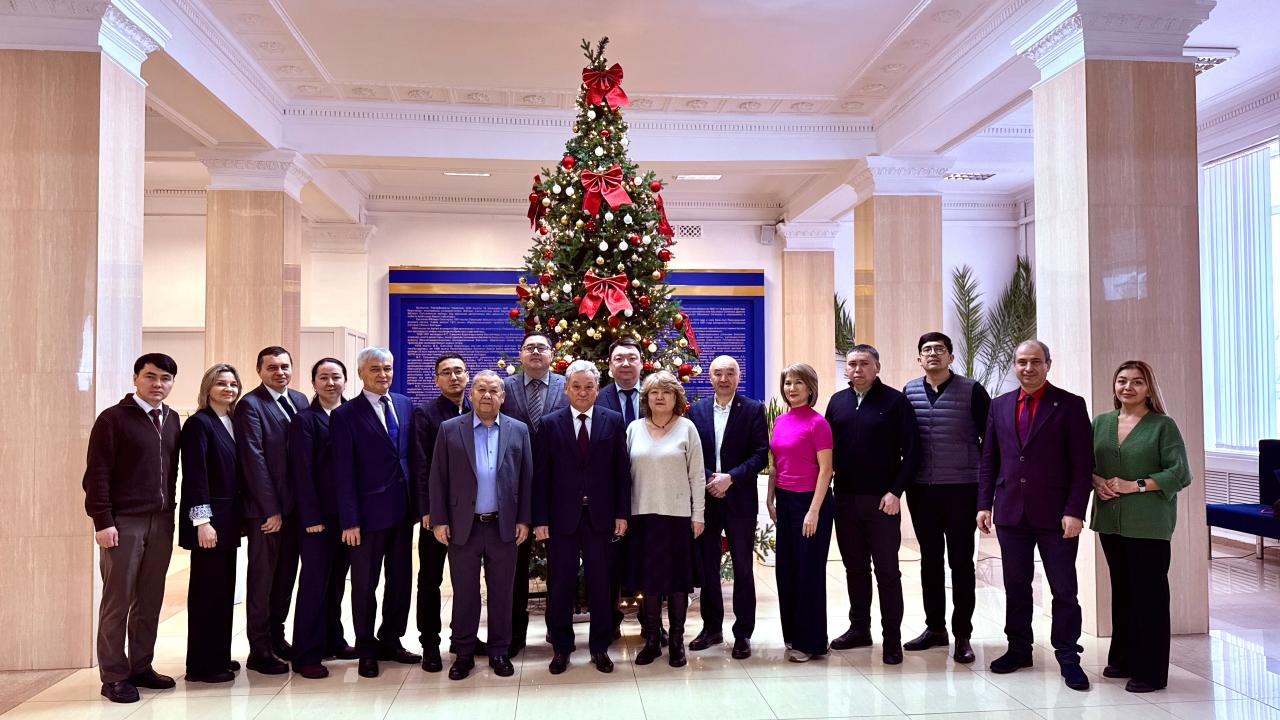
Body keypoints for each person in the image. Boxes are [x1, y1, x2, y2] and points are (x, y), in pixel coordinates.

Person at [977, 340, 1093, 691]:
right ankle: (1018, 649)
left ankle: (1068, 656)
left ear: (1048, 364)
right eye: (1022, 362)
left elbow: (1082, 464)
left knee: (1063, 588)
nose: (1028, 368)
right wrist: (984, 504)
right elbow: (989, 459)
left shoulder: (1070, 405)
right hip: (1011, 511)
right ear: (1014, 365)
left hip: (1056, 515)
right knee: (1016, 585)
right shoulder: (999, 405)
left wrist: (1075, 510)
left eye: (1036, 362)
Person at [83, 353, 181, 703]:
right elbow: (96, 475)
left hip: (161, 521)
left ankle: (141, 666)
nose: (158, 384)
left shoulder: (171, 419)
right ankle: (113, 676)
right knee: (118, 600)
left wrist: (170, 512)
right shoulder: (113, 419)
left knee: (150, 599)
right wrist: (103, 521)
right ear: (136, 378)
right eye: (150, 376)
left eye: (165, 378)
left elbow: (170, 472)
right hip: (124, 523)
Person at [1090, 360, 1191, 693]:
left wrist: (1136, 485)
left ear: (1149, 388)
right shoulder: (1101, 422)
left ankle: (1151, 672)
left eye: (1137, 382)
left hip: (1149, 523)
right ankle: (1123, 659)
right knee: (1122, 591)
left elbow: (1180, 473)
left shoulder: (1163, 425)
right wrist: (1095, 480)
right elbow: (1085, 463)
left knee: (1149, 596)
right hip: (1110, 521)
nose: (1128, 387)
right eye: (1122, 380)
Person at [429, 370, 533, 680]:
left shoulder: (518, 430)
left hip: (504, 526)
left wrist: (524, 519)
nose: (487, 395)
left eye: (493, 391)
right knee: (465, 592)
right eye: (481, 390)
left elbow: (527, 478)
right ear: (471, 394)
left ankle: (499, 650)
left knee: (502, 592)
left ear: (503, 396)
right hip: (464, 527)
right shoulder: (450, 429)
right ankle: (463, 652)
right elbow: (438, 478)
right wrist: (439, 520)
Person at [533, 360, 631, 674]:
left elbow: (621, 472)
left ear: (597, 389)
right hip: (561, 518)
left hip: (601, 517)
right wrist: (540, 519)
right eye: (576, 386)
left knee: (601, 584)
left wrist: (622, 513)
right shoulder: (550, 423)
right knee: (560, 584)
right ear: (566, 389)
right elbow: (541, 476)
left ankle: (599, 648)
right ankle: (561, 648)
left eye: (589, 386)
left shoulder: (612, 420)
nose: (582, 392)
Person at [825, 344, 920, 665]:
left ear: (877, 366)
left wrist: (896, 492)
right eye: (852, 364)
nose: (857, 369)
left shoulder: (895, 401)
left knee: (887, 572)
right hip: (845, 500)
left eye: (864, 363)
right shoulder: (837, 402)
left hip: (882, 502)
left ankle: (892, 639)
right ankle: (859, 629)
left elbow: (913, 453)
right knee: (854, 569)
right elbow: (826, 452)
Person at [331, 347, 421, 678]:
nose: (382, 374)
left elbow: (412, 457)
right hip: (366, 517)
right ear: (360, 374)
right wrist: (349, 520)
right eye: (374, 369)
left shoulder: (404, 404)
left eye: (387, 368)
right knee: (365, 584)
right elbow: (343, 471)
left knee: (400, 581)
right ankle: (367, 648)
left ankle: (391, 640)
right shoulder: (345, 415)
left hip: (402, 511)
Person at [901, 332, 990, 664]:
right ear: (919, 358)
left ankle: (962, 634)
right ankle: (935, 628)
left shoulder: (972, 390)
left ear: (951, 357)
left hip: (962, 488)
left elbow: (990, 441)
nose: (933, 354)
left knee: (961, 562)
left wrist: (987, 493)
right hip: (922, 489)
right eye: (927, 350)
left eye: (940, 349)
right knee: (929, 560)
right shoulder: (909, 391)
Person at [687, 355, 769, 659]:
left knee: (743, 568)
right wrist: (711, 478)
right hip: (706, 499)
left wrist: (730, 478)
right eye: (718, 373)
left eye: (730, 373)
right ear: (710, 377)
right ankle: (712, 628)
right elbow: (691, 453)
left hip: (740, 499)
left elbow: (760, 454)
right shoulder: (696, 410)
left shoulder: (753, 409)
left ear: (738, 376)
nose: (724, 379)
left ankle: (743, 633)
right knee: (707, 566)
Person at [234, 346, 308, 674]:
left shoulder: (300, 400)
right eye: (272, 367)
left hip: (296, 510)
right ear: (259, 371)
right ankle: (259, 648)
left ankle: (277, 637)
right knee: (262, 581)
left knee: (285, 578)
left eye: (284, 366)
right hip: (267, 513)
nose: (280, 372)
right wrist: (271, 509)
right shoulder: (250, 405)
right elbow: (254, 460)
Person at [626, 371, 705, 668]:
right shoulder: (634, 429)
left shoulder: (687, 428)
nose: (660, 397)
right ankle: (651, 641)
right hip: (642, 517)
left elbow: (697, 476)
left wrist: (698, 515)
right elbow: (624, 476)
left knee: (677, 583)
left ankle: (676, 642)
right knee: (649, 582)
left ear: (676, 398)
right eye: (654, 392)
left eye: (667, 392)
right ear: (646, 398)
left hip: (677, 518)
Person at [289, 358, 358, 679]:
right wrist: (311, 516)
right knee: (314, 583)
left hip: (348, 516)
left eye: (336, 377)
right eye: (323, 377)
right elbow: (301, 471)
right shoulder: (305, 419)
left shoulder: (352, 414)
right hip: (319, 518)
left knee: (336, 581)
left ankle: (333, 639)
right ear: (314, 383)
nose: (331, 383)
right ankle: (306, 653)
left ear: (345, 380)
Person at [410, 353, 476, 673]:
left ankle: (463, 639)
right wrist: (428, 510)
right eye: (446, 372)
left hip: (472, 513)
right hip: (437, 513)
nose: (454, 377)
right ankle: (430, 644)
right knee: (430, 579)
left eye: (459, 371)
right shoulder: (426, 414)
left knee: (467, 580)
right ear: (436, 379)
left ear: (468, 375)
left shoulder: (479, 409)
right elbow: (420, 465)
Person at [501, 333, 565, 655]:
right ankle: (515, 632)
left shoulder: (568, 386)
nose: (536, 352)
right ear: (521, 354)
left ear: (552, 354)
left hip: (558, 488)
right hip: (515, 487)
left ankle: (557, 628)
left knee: (560, 563)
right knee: (515, 564)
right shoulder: (504, 387)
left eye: (542, 347)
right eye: (530, 348)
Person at [180, 363, 244, 684]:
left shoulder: (230, 420)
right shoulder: (199, 423)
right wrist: (202, 521)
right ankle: (201, 666)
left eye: (233, 384)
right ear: (208, 388)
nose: (228, 389)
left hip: (228, 521)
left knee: (222, 591)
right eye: (221, 383)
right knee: (206, 594)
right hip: (209, 522)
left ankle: (217, 654)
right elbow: (196, 476)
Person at [767, 363, 835, 663]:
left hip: (811, 502)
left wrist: (813, 511)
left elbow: (826, 470)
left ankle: (812, 642)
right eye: (787, 383)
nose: (791, 388)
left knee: (809, 572)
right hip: (785, 501)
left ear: (810, 388)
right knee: (787, 570)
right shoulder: (780, 420)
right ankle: (793, 635)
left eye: (798, 383)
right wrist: (770, 499)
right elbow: (775, 464)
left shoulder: (818, 424)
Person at [595, 337, 644, 638]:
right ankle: (609, 623)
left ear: (642, 363)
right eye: (619, 359)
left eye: (631, 358)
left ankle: (650, 623)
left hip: (649, 490)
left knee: (647, 557)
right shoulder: (597, 397)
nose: (625, 363)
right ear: (610, 365)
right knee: (609, 562)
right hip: (609, 495)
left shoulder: (656, 395)